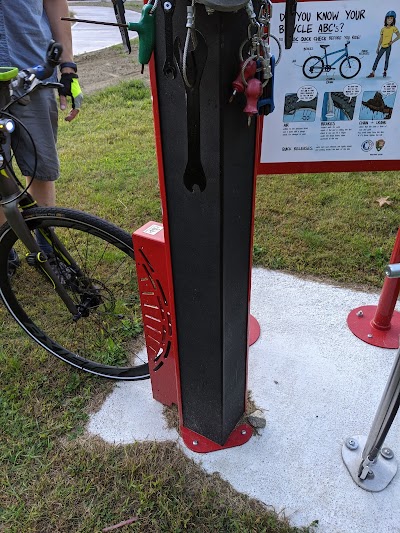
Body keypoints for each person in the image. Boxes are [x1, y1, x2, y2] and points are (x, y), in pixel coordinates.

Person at [0, 0, 82, 274]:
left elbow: (56, 4)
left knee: (41, 172)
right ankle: (3, 254)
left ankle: (49, 254)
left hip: (33, 76)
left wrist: (68, 67)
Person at [367, 10, 400, 78]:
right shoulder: (383, 29)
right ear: (385, 19)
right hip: (382, 46)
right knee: (377, 59)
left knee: (386, 59)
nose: (389, 20)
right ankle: (373, 73)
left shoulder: (393, 28)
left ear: (393, 20)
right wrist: (378, 47)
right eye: (388, 18)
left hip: (388, 46)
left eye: (391, 19)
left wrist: (392, 41)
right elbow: (381, 39)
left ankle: (385, 72)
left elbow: (399, 36)